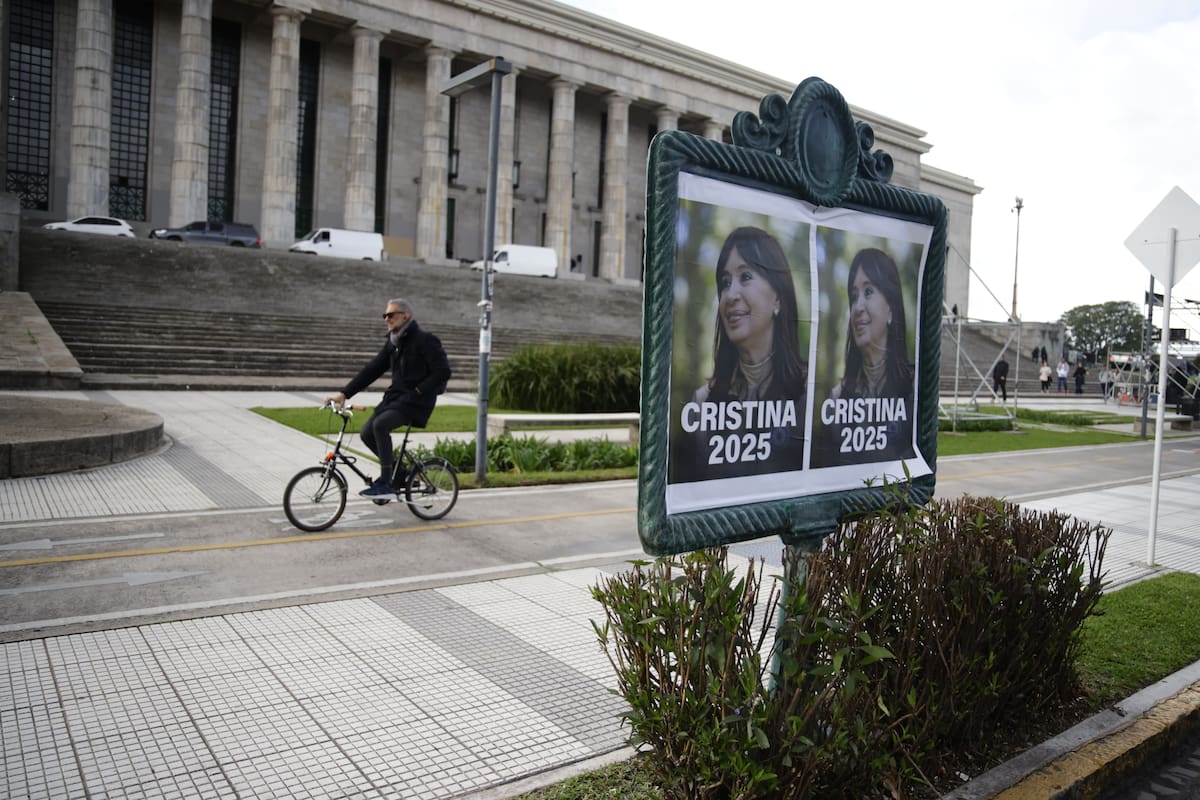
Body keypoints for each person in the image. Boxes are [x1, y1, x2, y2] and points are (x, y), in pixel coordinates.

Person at [675, 226, 807, 483]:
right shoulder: (702, 404)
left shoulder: (809, 396)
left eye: (745, 276)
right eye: (725, 283)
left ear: (778, 297)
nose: (730, 295)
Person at [327, 298, 451, 498]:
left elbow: (443, 371)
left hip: (417, 401)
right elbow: (372, 370)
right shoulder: (393, 343)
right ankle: (399, 473)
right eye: (385, 315)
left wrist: (419, 391)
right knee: (367, 433)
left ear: (405, 316)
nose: (387, 319)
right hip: (396, 399)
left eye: (391, 315)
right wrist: (344, 393)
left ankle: (387, 483)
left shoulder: (425, 340)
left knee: (381, 425)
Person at [818, 247, 915, 466]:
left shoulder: (915, 390)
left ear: (891, 309)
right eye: (854, 297)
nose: (857, 307)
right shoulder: (836, 400)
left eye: (868, 291)